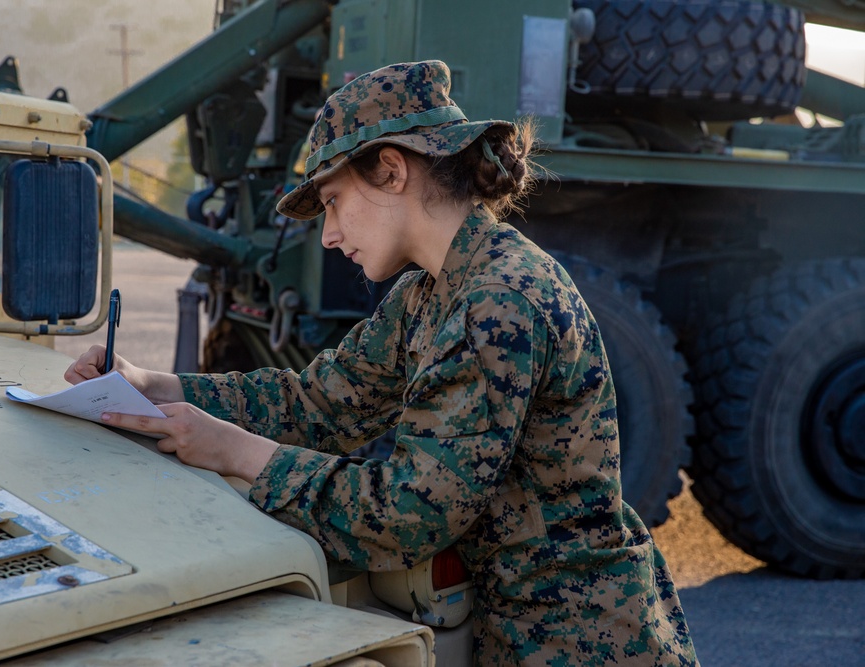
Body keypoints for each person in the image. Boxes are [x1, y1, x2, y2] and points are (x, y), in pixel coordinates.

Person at [66, 60, 699, 666]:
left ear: (392, 171)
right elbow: (320, 403)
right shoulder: (433, 290)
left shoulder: (497, 301)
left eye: (334, 201)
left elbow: (407, 514)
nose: (329, 234)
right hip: (530, 628)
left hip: (580, 642)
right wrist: (154, 385)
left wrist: (233, 451)